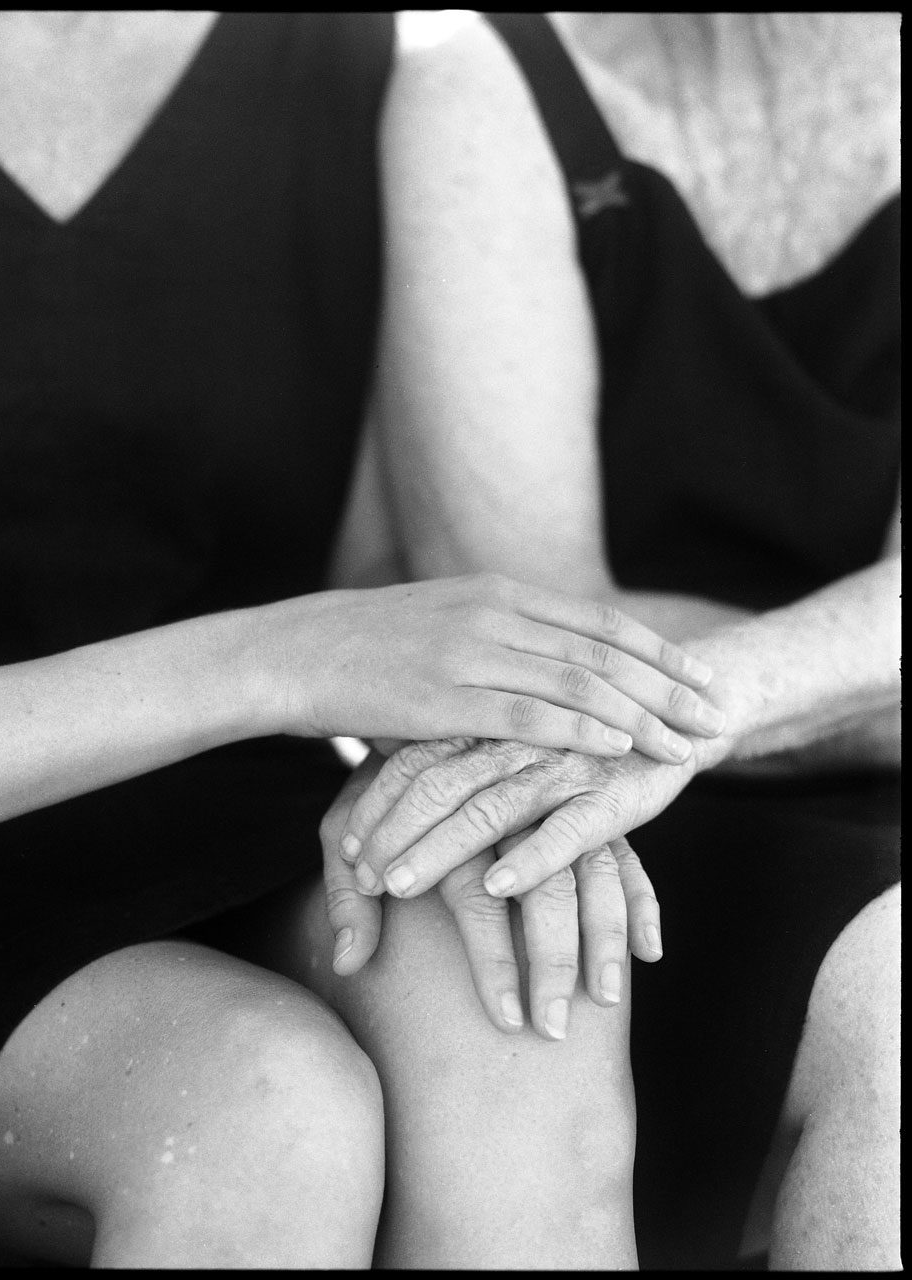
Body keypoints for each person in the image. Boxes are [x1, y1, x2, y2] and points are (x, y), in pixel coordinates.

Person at [0, 10, 734, 1268]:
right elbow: (315, 641)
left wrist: (508, 777)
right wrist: (268, 661)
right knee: (259, 1108)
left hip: (228, 819)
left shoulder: (341, 59)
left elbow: (382, 580)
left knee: (517, 979)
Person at [321, 11, 900, 1271]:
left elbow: (607, 671)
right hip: (599, 814)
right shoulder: (483, 86)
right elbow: (537, 633)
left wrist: (716, 698)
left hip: (650, 752)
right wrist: (852, 651)